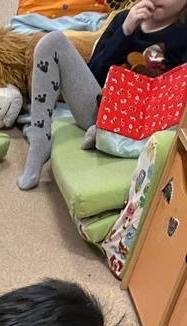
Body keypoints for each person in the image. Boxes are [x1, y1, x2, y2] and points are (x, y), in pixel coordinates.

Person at [18, 1, 187, 192]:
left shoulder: (183, 34)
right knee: (51, 41)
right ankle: (40, 141)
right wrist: (124, 33)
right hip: (99, 108)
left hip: (148, 128)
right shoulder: (123, 20)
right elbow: (94, 73)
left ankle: (105, 137)